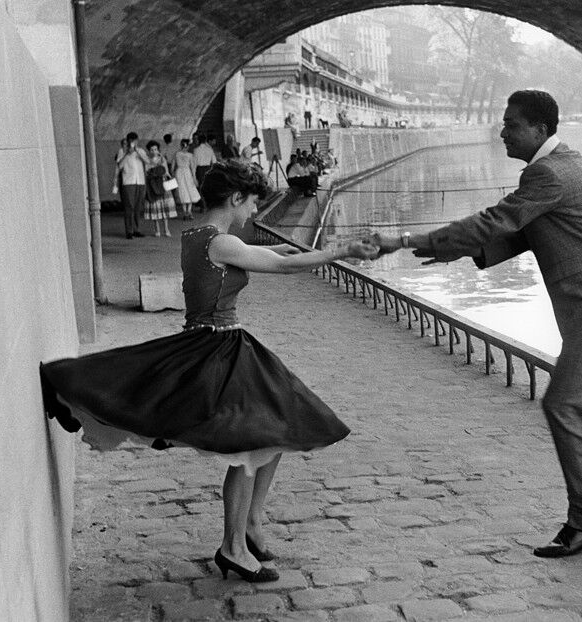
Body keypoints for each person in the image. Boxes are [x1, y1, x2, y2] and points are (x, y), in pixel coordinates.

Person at [40, 160, 379, 583]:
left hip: (217, 343)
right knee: (250, 442)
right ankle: (233, 547)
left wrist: (296, 250)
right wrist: (340, 251)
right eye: (253, 203)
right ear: (236, 198)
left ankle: (251, 524)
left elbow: (273, 254)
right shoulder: (221, 242)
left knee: (279, 428)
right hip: (217, 351)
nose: (254, 212)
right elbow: (280, 266)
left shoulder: (198, 235)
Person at [371, 90, 582, 558]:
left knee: (566, 405)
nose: (502, 131)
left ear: (539, 130)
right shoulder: (568, 163)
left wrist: (405, 237)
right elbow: (524, 231)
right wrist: (453, 249)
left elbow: (495, 220)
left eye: (512, 124)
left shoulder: (548, 172)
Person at [116, 132, 149, 239]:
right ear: (128, 141)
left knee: (138, 206)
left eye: (134, 141)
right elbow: (120, 166)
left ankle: (136, 229)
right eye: (131, 141)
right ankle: (129, 231)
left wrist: (137, 152)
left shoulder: (141, 151)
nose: (132, 143)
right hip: (128, 182)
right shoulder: (122, 151)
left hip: (140, 181)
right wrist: (127, 154)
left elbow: (147, 162)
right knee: (129, 206)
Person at [143, 140, 177, 237]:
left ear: (158, 150)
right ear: (149, 151)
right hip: (152, 186)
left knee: (164, 208)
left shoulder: (162, 159)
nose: (154, 151)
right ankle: (157, 230)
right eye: (152, 149)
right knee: (155, 208)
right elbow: (146, 172)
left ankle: (166, 229)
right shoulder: (147, 161)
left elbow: (166, 171)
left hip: (162, 184)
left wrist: (168, 176)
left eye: (156, 149)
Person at [172, 138, 200, 220]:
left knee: (182, 191)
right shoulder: (190, 155)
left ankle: (185, 212)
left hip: (179, 172)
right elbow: (193, 168)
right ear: (188, 146)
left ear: (181, 145)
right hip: (187, 172)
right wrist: (194, 178)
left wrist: (173, 175)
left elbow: (172, 167)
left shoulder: (176, 154)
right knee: (190, 190)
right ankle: (189, 212)